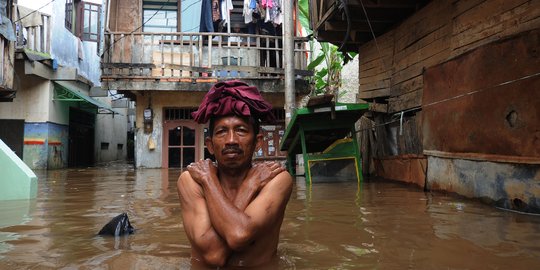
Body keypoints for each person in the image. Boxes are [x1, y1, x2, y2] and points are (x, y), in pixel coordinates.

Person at [177, 80, 293, 267]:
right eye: (222, 132)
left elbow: (238, 235)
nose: (231, 140)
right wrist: (246, 185)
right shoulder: (192, 181)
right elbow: (213, 255)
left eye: (241, 130)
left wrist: (246, 184)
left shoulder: (277, 179)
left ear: (258, 143)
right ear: (210, 145)